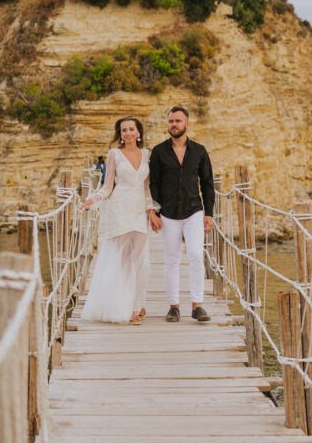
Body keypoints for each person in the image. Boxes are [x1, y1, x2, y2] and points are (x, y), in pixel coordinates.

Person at [79, 117, 159, 325]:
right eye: (124, 130)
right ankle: (128, 309)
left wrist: (151, 211)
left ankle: (137, 302)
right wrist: (94, 198)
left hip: (138, 209)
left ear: (138, 131)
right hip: (119, 208)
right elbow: (107, 187)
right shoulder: (114, 154)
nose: (128, 133)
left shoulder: (146, 154)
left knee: (140, 260)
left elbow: (147, 188)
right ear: (120, 134)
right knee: (122, 260)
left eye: (131, 129)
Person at [148, 106, 215, 323]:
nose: (174, 125)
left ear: (187, 123)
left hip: (194, 210)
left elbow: (207, 183)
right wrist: (153, 212)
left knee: (195, 255)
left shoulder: (199, 151)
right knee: (172, 259)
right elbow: (153, 184)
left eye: (178, 121)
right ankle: (174, 307)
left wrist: (209, 213)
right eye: (171, 121)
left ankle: (197, 305)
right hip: (168, 213)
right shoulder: (159, 152)